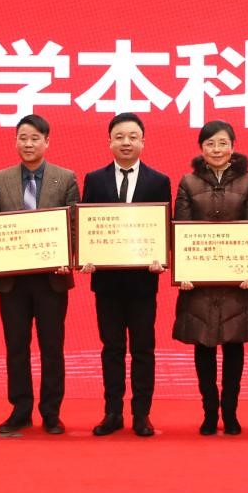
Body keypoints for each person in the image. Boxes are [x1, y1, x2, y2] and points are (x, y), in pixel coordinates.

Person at [0, 114, 79, 435]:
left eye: (35, 138)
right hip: (12, 281)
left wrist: (70, 256)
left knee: (52, 348)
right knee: (16, 347)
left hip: (52, 279)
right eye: (22, 138)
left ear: (46, 142)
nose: (28, 144)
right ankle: (20, 409)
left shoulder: (65, 178)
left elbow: (75, 226)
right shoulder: (0, 179)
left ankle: (51, 412)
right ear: (15, 141)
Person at [81, 113, 171, 438]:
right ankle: (113, 412)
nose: (126, 142)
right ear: (109, 142)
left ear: (143, 142)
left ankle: (142, 414)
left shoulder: (158, 181)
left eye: (133, 137)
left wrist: (162, 257)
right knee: (112, 348)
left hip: (143, 282)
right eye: (119, 137)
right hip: (106, 283)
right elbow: (86, 226)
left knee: (143, 349)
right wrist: (86, 256)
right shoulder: (95, 179)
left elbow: (165, 228)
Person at [173, 120, 248, 436]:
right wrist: (183, 271)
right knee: (204, 345)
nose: (216, 149)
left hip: (236, 281)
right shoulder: (187, 182)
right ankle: (210, 412)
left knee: (234, 345)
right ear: (201, 148)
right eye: (210, 143)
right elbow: (180, 229)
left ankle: (231, 411)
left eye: (223, 143)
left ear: (233, 147)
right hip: (198, 282)